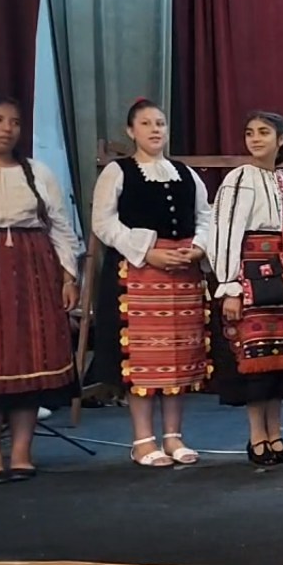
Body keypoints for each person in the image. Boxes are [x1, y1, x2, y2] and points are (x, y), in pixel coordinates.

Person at [91, 98, 212, 467]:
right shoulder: (118, 172)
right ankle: (143, 440)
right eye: (145, 124)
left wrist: (197, 248)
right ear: (131, 131)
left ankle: (174, 436)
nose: (155, 129)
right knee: (143, 361)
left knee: (178, 358)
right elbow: (104, 223)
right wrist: (148, 251)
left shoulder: (185, 173)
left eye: (159, 123)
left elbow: (206, 217)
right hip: (138, 276)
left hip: (183, 275)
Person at [0, 94, 82, 483]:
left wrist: (68, 276)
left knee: (28, 359)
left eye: (14, 122)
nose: (6, 128)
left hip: (32, 268)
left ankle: (21, 451)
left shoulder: (36, 172)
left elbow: (60, 225)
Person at [209, 111, 283, 466]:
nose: (255, 138)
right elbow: (225, 232)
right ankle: (257, 437)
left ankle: (276, 435)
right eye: (250, 132)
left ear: (281, 139)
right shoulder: (239, 179)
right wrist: (229, 285)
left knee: (278, 361)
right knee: (255, 359)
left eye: (264, 132)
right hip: (251, 276)